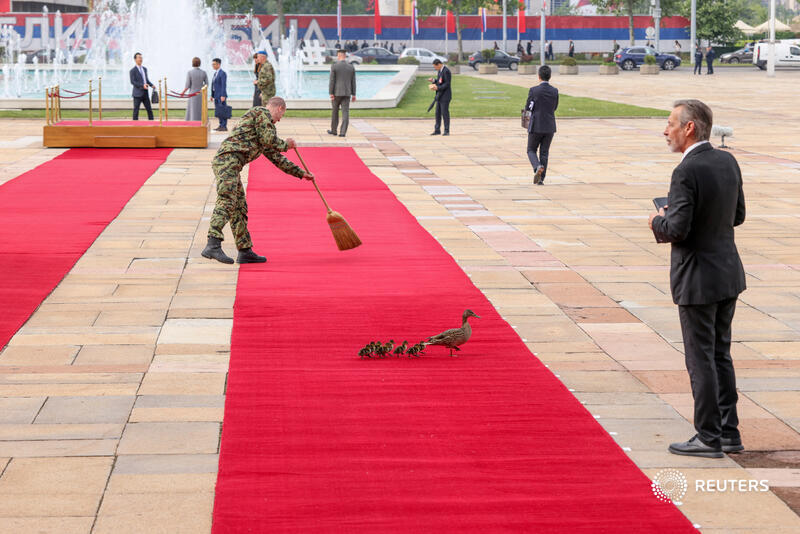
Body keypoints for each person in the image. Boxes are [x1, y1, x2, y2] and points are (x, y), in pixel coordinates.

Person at [649, 99, 746, 458]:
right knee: (721, 354)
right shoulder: (727, 160)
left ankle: (708, 437)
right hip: (728, 273)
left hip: (698, 279)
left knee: (700, 358)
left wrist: (658, 220)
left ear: (689, 128)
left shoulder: (685, 171)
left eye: (671, 123)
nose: (665, 130)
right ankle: (729, 432)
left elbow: (678, 229)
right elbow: (737, 215)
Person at [202, 97, 315, 265]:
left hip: (232, 165)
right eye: (281, 116)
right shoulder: (261, 113)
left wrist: (300, 173)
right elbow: (271, 141)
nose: (279, 120)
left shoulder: (264, 129)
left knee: (239, 207)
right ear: (279, 108)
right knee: (227, 200)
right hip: (227, 162)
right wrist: (286, 144)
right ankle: (213, 244)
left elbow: (276, 158)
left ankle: (245, 250)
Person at [524, 65, 558, 185]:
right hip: (549, 126)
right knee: (544, 152)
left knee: (531, 149)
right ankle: (541, 179)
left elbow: (528, 107)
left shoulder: (534, 90)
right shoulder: (554, 91)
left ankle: (537, 166)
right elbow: (555, 107)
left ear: (539, 76)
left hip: (536, 125)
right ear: (550, 77)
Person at [328, 49, 356, 137]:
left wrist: (331, 93)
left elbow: (332, 80)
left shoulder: (335, 66)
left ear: (339, 55)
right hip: (347, 93)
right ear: (345, 55)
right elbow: (353, 81)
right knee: (345, 113)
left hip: (336, 93)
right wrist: (354, 94)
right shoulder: (351, 67)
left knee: (335, 112)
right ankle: (343, 132)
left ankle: (334, 130)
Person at [129, 52, 154, 121]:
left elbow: (146, 80)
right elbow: (133, 82)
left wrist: (152, 85)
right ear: (135, 59)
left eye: (141, 57)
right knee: (136, 111)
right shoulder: (132, 71)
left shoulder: (145, 69)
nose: (141, 59)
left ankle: (152, 124)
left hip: (145, 93)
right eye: (139, 57)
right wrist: (142, 85)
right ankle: (135, 126)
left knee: (149, 110)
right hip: (137, 94)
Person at [429, 59, 451, 136]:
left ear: (439, 64)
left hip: (445, 96)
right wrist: (434, 80)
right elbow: (440, 81)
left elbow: (447, 84)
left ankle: (446, 130)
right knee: (437, 113)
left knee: (445, 113)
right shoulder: (440, 71)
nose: (435, 68)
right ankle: (437, 130)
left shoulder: (446, 71)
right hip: (439, 95)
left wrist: (438, 88)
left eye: (435, 67)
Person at [182, 57, 208, 121]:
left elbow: (187, 85)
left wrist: (182, 93)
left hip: (192, 94)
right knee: (200, 108)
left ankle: (192, 121)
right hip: (200, 94)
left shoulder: (190, 72)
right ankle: (202, 121)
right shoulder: (203, 72)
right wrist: (202, 89)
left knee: (192, 109)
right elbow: (207, 84)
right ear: (199, 63)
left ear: (192, 63)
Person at [211, 57, 229, 132]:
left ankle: (224, 126)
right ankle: (221, 125)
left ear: (218, 64)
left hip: (221, 96)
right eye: (212, 64)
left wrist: (223, 95)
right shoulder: (215, 73)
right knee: (219, 111)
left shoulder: (222, 73)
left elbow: (223, 85)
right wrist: (212, 95)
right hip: (216, 96)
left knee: (222, 111)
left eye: (214, 64)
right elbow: (214, 85)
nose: (213, 66)